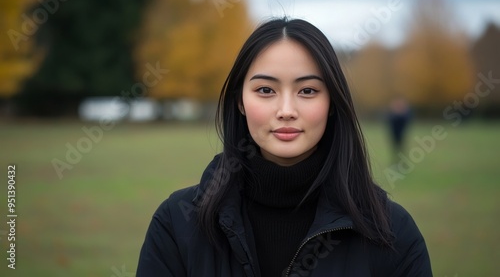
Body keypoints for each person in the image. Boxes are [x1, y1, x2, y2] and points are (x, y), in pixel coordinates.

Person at [136, 18, 432, 277]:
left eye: (308, 91)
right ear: (240, 101)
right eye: (265, 90)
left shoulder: (392, 232)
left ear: (331, 103)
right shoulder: (176, 224)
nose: (286, 110)